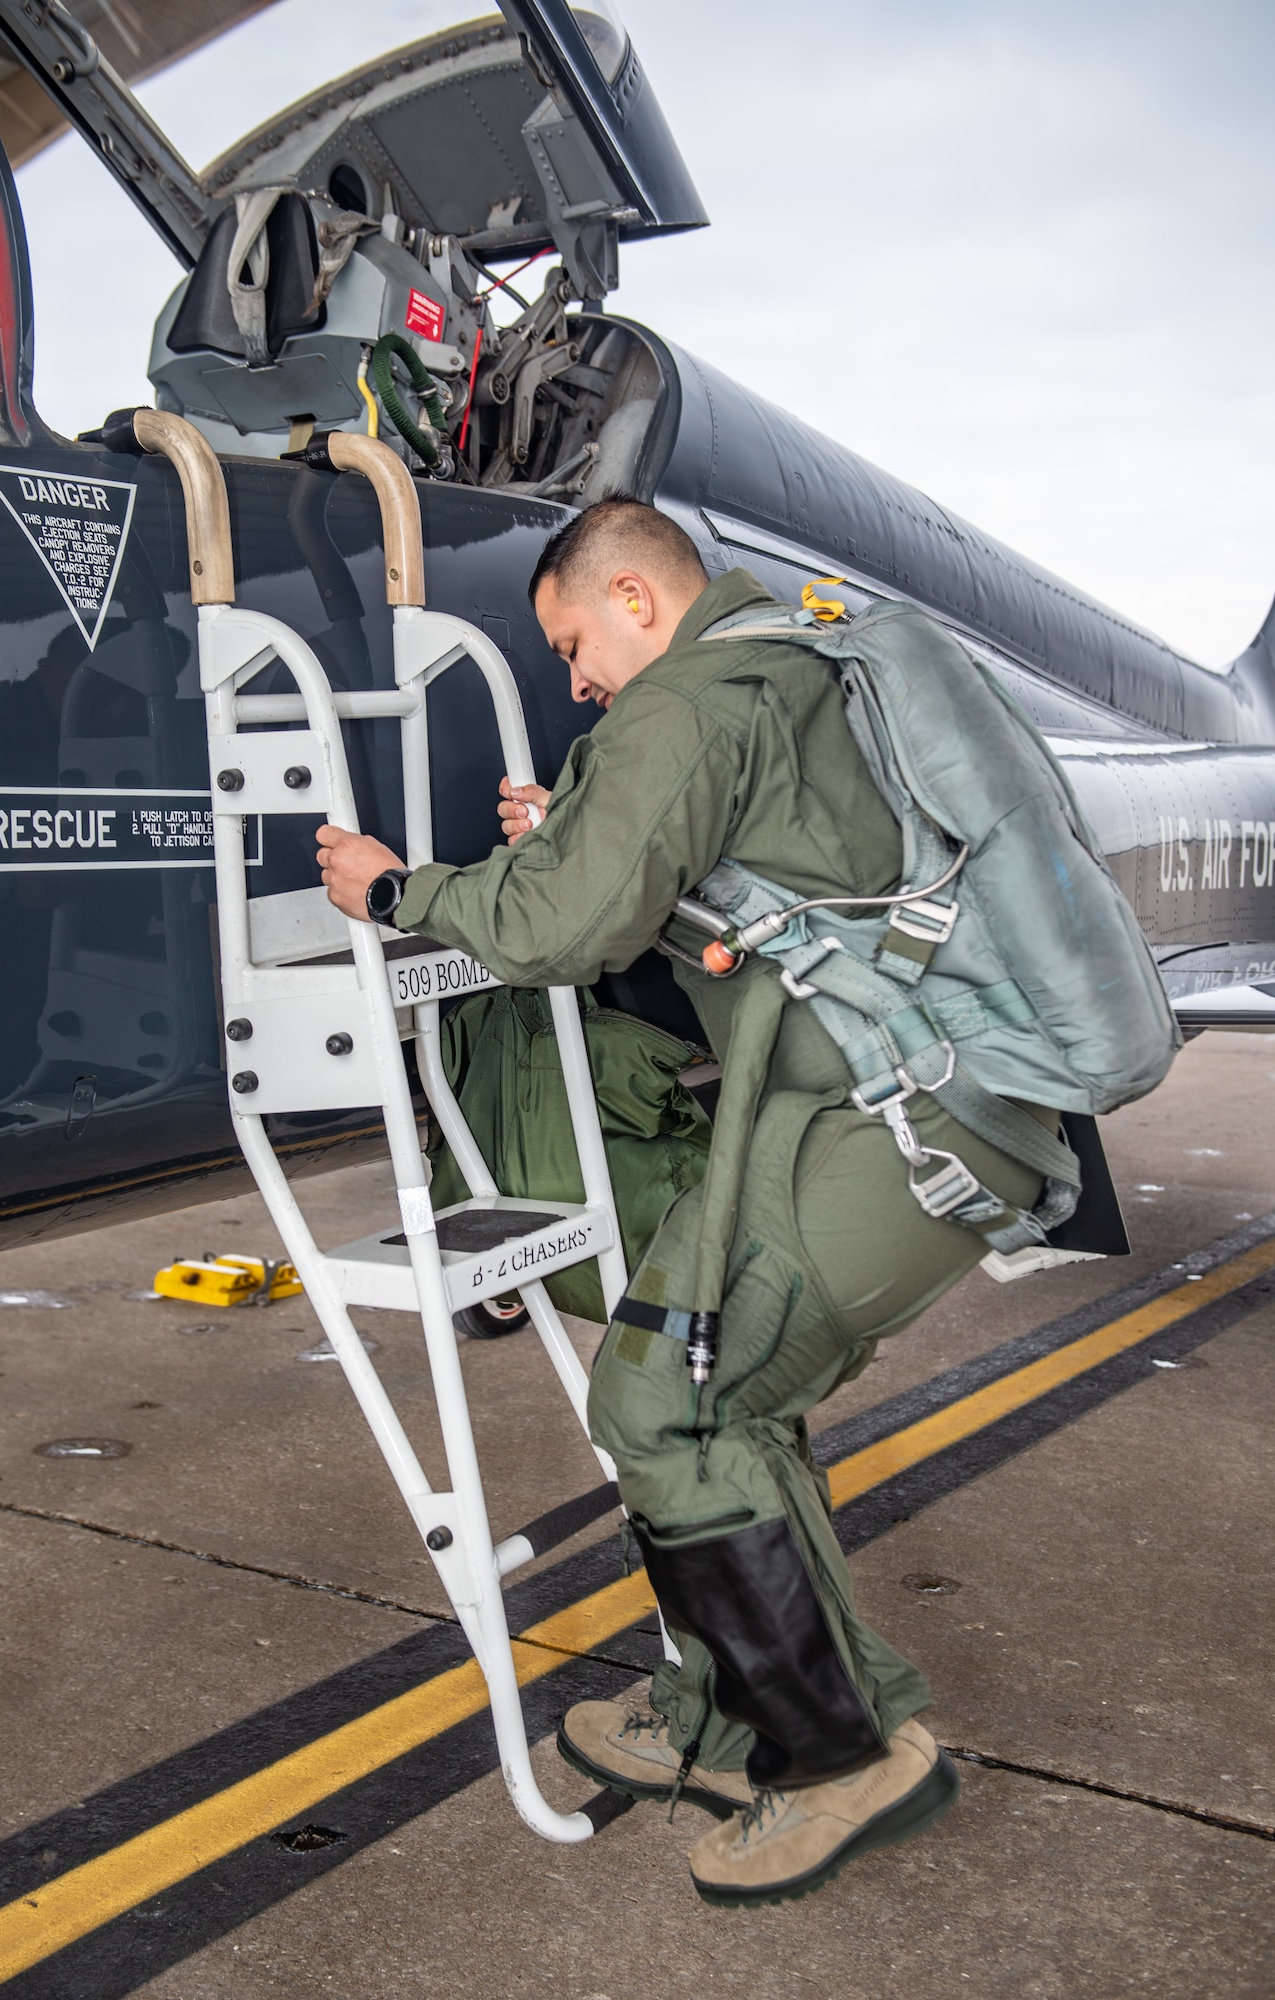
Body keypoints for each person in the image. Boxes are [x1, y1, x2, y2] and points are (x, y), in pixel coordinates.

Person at [316, 496, 1049, 1907]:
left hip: (901, 1117)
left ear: (638, 601)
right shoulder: (780, 667)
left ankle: (837, 1757)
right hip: (907, 1097)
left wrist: (398, 887)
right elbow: (769, 893)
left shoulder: (691, 702)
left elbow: (554, 932)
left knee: (672, 1404)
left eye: (577, 644)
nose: (576, 682)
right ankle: (723, 1715)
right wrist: (595, 833)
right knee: (708, 1397)